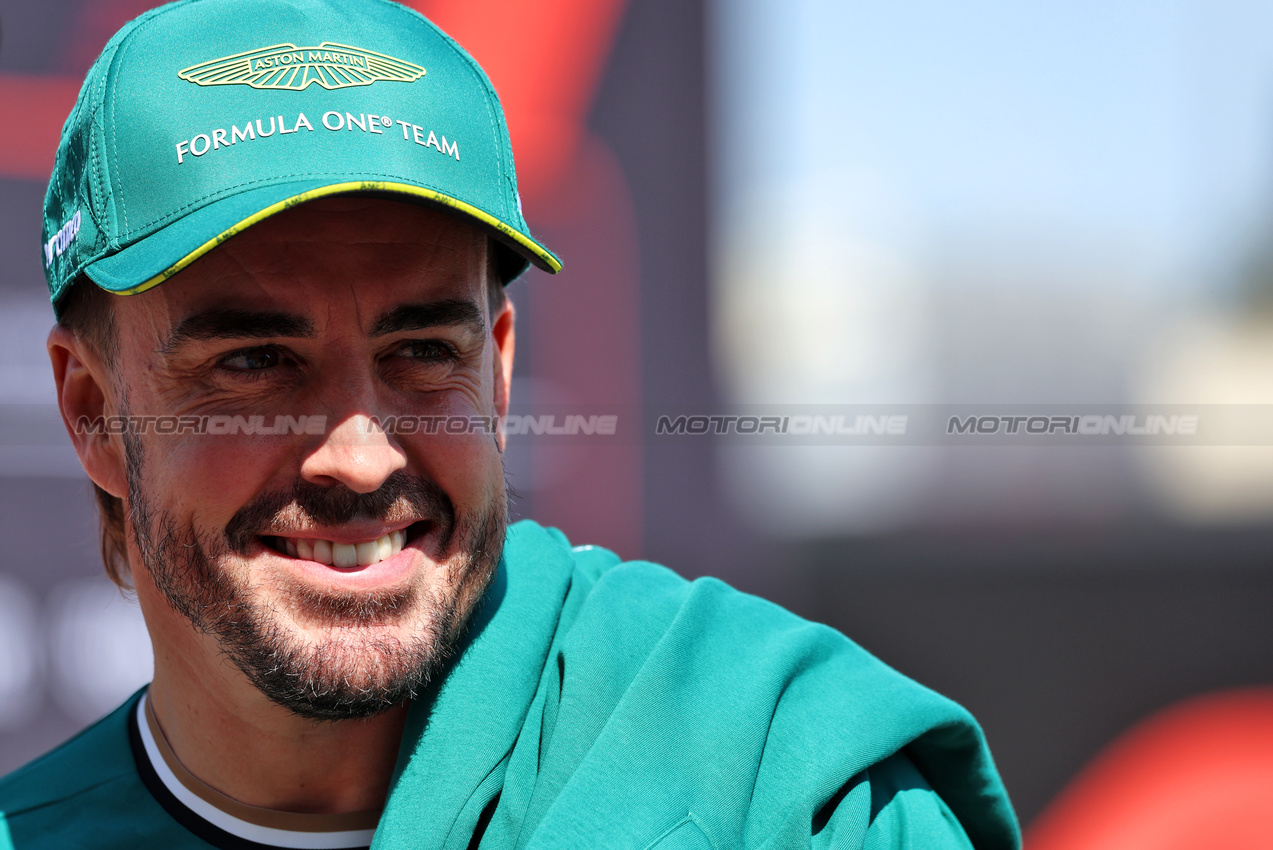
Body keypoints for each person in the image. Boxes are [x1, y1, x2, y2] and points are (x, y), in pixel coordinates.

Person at [0, 1, 1020, 847]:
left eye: (423, 353)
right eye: (256, 362)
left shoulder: (777, 785)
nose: (359, 457)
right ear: (93, 412)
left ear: (498, 373)